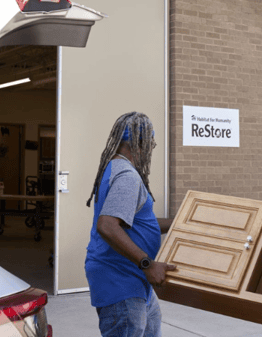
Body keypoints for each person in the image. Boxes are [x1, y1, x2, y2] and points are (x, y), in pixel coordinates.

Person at [84, 112, 176, 337]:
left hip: (134, 279)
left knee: (152, 328)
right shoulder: (127, 176)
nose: (152, 149)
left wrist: (178, 224)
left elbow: (135, 221)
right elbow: (107, 225)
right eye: (151, 143)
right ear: (139, 144)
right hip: (122, 281)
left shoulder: (115, 168)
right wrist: (147, 264)